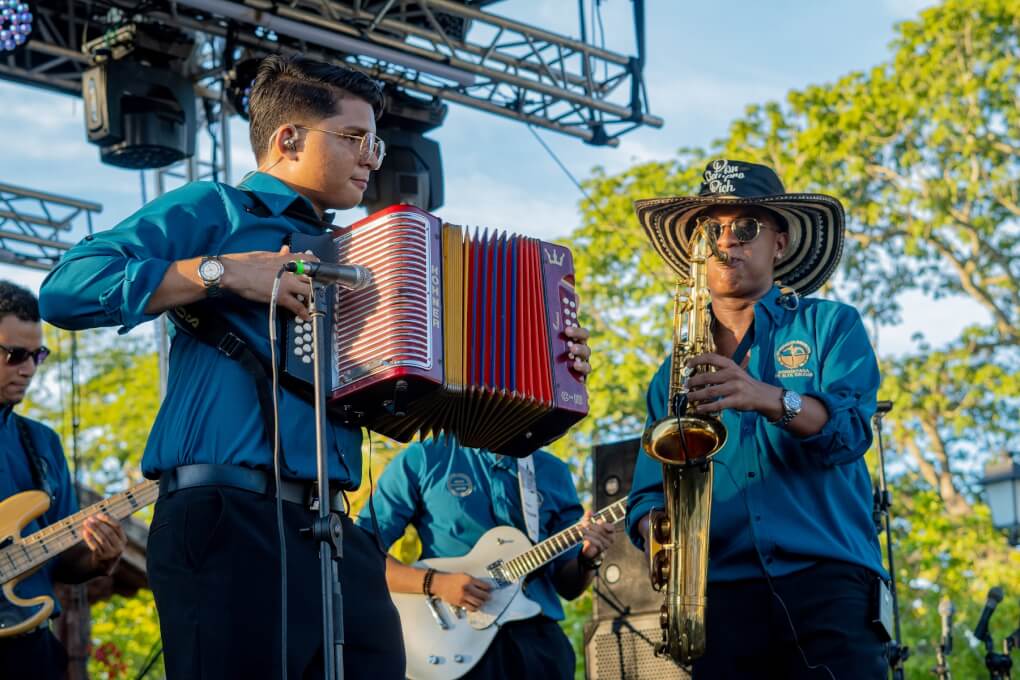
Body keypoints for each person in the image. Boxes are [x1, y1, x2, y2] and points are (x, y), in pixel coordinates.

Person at [38, 55, 410, 679]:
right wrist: (222, 271)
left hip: (334, 529)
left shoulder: (360, 253)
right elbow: (65, 289)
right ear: (288, 139)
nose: (372, 157)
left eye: (375, 142)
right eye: (354, 139)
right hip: (226, 517)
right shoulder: (216, 209)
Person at [626, 159, 889, 679]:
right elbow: (646, 493)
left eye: (745, 227)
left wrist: (767, 398)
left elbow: (852, 432)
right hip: (720, 598)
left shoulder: (831, 324)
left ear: (780, 244)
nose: (727, 241)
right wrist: (655, 527)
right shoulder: (671, 374)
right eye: (712, 229)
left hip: (828, 584)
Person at [356, 435, 614, 679]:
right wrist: (434, 583)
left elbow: (569, 586)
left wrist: (589, 558)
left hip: (538, 640)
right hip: (455, 638)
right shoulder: (424, 457)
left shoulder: (552, 471)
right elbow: (360, 554)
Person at [0, 281, 126, 680]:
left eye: (37, 354)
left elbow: (64, 562)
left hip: (31, 649)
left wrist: (100, 557)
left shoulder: (41, 443)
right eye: (14, 355)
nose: (29, 369)